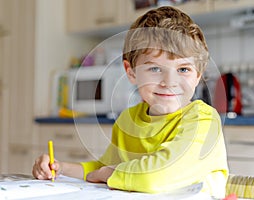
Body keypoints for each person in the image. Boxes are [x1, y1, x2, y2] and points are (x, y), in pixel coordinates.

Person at [32, 6, 228, 198]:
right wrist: (60, 168)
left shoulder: (203, 120)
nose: (169, 82)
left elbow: (154, 177)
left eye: (183, 69)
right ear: (131, 72)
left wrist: (107, 174)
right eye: (155, 69)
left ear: (198, 76)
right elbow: (102, 168)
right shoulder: (128, 120)